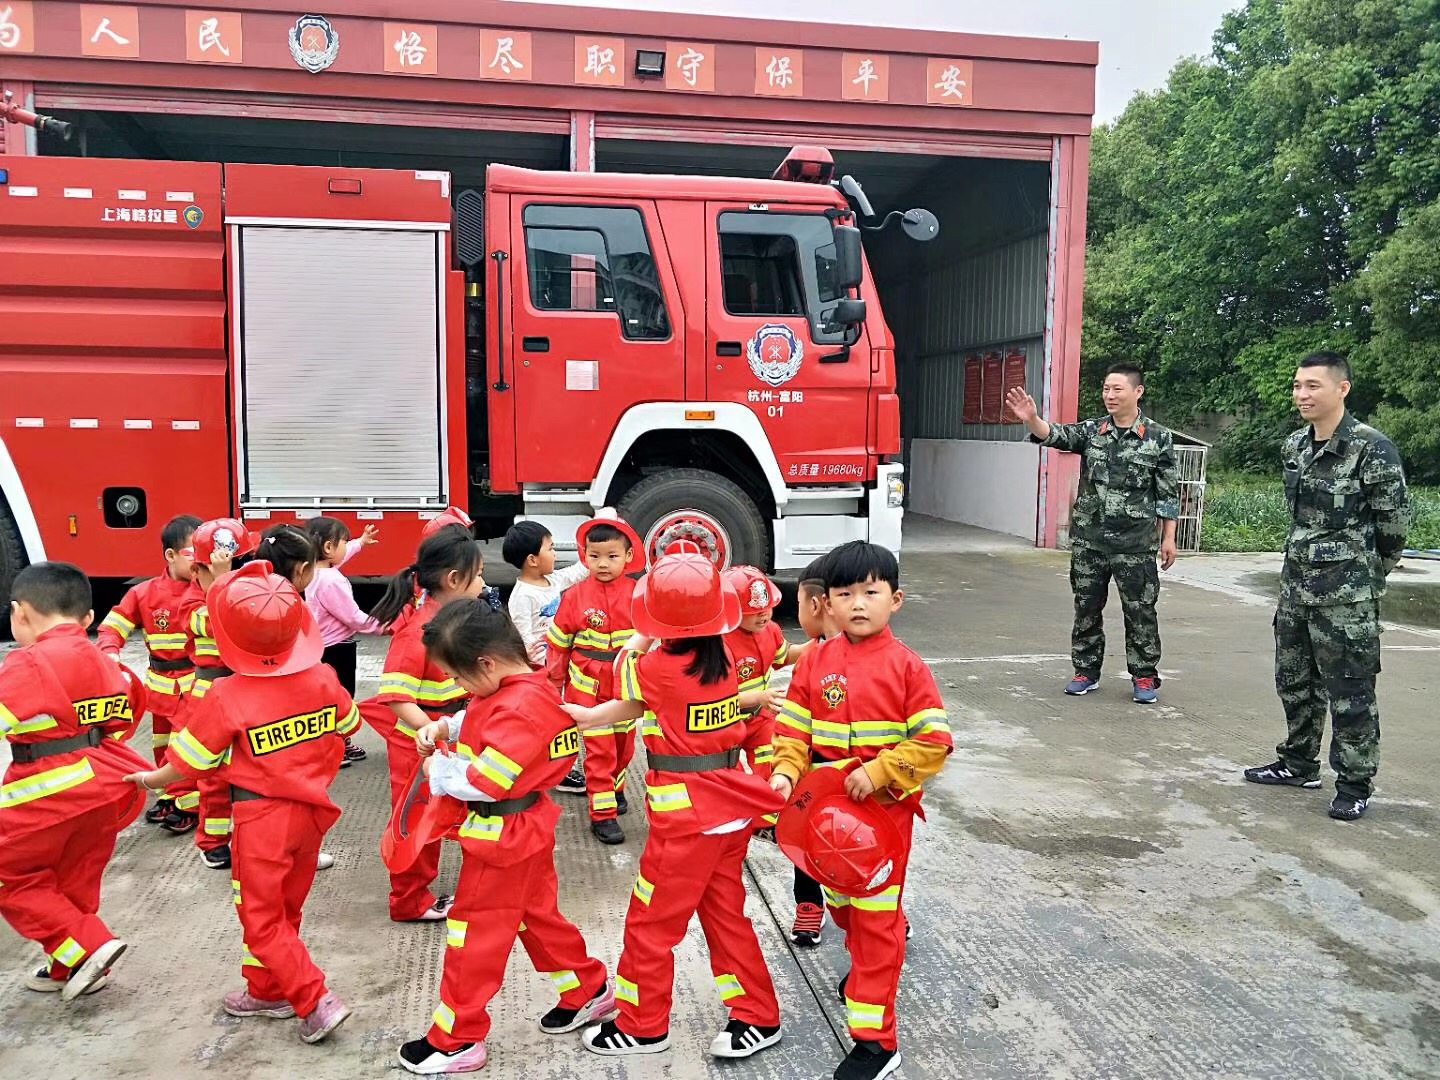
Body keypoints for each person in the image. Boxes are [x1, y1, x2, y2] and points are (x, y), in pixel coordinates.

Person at [564, 542, 786, 1060]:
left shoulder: (658, 666)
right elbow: (640, 702)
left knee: (649, 925)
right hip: (729, 813)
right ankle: (757, 1014)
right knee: (726, 917)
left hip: (686, 823)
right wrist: (593, 718)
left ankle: (644, 1026)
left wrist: (644, 632)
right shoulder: (725, 659)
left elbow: (620, 668)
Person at [125, 562, 356, 1043]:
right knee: (285, 909)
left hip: (261, 820)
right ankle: (265, 989)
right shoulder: (323, 678)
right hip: (314, 815)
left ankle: (314, 1000)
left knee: (261, 914)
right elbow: (350, 725)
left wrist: (148, 780)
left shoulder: (227, 695)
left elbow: (184, 766)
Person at [395, 600, 616, 1074]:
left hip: (502, 839)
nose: (456, 687)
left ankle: (457, 1039)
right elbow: (482, 713)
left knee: (471, 936)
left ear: (487, 664)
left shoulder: (519, 709)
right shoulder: (528, 689)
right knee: (538, 918)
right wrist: (446, 725)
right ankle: (587, 988)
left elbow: (483, 780)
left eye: (457, 677)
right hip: (525, 831)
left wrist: (438, 767)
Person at [770, 541, 953, 1080]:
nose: (856, 604)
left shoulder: (907, 669)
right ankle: (881, 948)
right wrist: (784, 771)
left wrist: (879, 772)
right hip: (823, 817)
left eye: (870, 592)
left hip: (883, 817)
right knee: (843, 908)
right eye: (843, 593)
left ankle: (877, 1043)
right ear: (824, 603)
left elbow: (935, 743)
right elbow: (794, 727)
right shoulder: (817, 661)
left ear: (895, 600)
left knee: (873, 924)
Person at [1243, 352, 1410, 821]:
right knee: (1294, 682)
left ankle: (1355, 783)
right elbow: (1302, 519)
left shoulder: (1371, 448)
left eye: (1312, 386)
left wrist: (1364, 574)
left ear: (1342, 389)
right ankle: (1298, 763)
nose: (1302, 395)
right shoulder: (1295, 445)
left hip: (1345, 598)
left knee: (1351, 692)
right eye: (1297, 386)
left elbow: (1393, 526)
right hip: (1296, 589)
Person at [0, 561, 152, 1000]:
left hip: (45, 792)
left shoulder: (28, 663)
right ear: (88, 618)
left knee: (15, 880)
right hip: (104, 786)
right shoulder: (109, 664)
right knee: (76, 880)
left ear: (20, 613)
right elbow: (124, 721)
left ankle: (91, 946)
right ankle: (70, 965)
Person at [1006, 365, 1180, 704]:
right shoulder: (1092, 431)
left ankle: (1144, 676)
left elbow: (1167, 494)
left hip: (1135, 544)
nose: (1110, 396)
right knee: (1086, 607)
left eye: (1117, 390)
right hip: (1091, 541)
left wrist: (1169, 538)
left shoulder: (1158, 437)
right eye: (1106, 389)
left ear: (1137, 392)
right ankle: (1086, 671)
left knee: (1141, 610)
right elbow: (1054, 435)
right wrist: (1031, 419)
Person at [362, 527, 486, 922]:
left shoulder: (449, 622)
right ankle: (409, 900)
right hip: (420, 747)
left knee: (444, 813)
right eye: (478, 575)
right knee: (417, 821)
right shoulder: (418, 633)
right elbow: (396, 697)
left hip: (445, 737)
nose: (483, 582)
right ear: (453, 580)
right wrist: (430, 733)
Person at [96, 513, 202, 826]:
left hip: (197, 686)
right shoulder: (143, 594)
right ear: (170, 555)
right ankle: (169, 796)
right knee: (162, 746)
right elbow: (112, 627)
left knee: (187, 748)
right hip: (159, 689)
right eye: (193, 553)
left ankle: (189, 805)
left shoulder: (208, 591)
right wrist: (110, 654)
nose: (202, 561)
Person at [544, 517, 645, 845]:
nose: (602, 563)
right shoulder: (573, 596)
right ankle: (602, 816)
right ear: (583, 555)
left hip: (625, 692)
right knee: (600, 754)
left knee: (623, 749)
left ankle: (614, 793)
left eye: (612, 556)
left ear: (628, 557)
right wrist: (554, 689)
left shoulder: (638, 594)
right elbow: (558, 646)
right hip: (587, 691)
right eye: (594, 555)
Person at [176, 517, 261, 865]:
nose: (240, 572)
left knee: (250, 768)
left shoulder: (246, 591)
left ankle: (251, 835)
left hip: (246, 691)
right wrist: (225, 581)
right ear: (199, 569)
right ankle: (212, 841)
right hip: (210, 695)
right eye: (233, 564)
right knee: (212, 775)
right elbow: (221, 620)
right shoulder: (191, 602)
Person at [502, 519, 591, 796]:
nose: (555, 554)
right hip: (541, 672)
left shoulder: (552, 580)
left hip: (560, 665)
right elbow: (522, 638)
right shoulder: (522, 596)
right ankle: (557, 771)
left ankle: (562, 767)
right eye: (550, 548)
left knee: (562, 718)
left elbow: (579, 572)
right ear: (532, 560)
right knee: (552, 720)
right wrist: (537, 660)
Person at [782, 557, 840, 949]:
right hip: (812, 776)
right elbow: (793, 724)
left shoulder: (867, 658)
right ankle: (809, 907)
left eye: (799, 604)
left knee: (857, 847)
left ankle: (885, 916)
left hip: (857, 779)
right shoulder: (810, 658)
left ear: (816, 605)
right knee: (805, 840)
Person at [304, 517, 383, 767]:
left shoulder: (314, 571)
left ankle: (338, 743)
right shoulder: (331, 580)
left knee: (325, 698)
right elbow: (354, 617)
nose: (346, 547)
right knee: (341, 697)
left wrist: (360, 542)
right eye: (343, 542)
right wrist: (384, 626)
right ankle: (335, 747)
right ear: (328, 548)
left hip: (321, 647)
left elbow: (342, 555)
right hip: (337, 649)